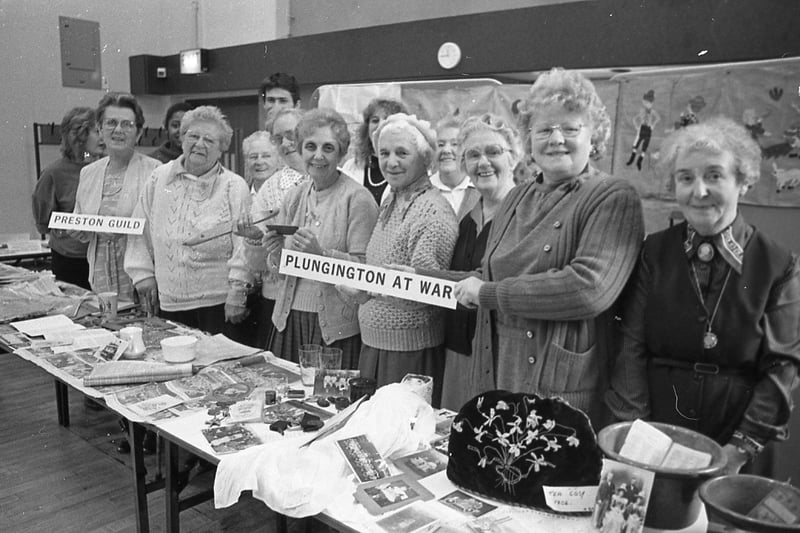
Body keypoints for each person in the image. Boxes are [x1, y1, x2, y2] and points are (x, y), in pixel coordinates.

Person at [606, 116, 800, 475]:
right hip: (655, 434)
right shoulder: (653, 252)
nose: (699, 191)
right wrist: (639, 434)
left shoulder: (779, 264)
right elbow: (630, 346)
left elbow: (783, 368)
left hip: (738, 439)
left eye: (714, 175)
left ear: (743, 181)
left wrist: (739, 450)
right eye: (686, 178)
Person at [451, 68, 644, 426]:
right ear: (529, 138)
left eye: (570, 128)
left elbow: (588, 289)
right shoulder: (517, 197)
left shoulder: (612, 196)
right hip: (496, 371)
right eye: (544, 129)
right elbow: (484, 276)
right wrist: (413, 276)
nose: (556, 139)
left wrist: (489, 293)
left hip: (557, 386)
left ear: (594, 136)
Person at [236, 108, 378, 368]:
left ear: (342, 153)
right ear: (301, 150)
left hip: (334, 329)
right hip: (288, 319)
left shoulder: (358, 199)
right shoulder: (295, 196)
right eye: (310, 146)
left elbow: (365, 270)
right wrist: (275, 250)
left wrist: (320, 255)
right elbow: (281, 271)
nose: (318, 156)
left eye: (328, 148)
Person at [349, 113, 458, 402]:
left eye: (402, 153)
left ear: (425, 159)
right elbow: (379, 269)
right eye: (384, 153)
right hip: (376, 346)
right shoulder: (392, 199)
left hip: (408, 354)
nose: (391, 162)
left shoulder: (432, 211)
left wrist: (365, 289)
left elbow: (428, 290)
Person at [125, 105, 250, 336]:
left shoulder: (234, 186)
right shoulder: (158, 178)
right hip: (169, 300)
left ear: (222, 148)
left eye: (210, 140)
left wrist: (237, 292)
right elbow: (138, 227)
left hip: (219, 304)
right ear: (182, 138)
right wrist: (142, 275)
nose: (199, 144)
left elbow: (243, 245)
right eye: (193, 136)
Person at [435, 114, 522, 411]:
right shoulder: (468, 214)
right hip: (459, 351)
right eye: (473, 155)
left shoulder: (525, 213)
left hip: (500, 359)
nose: (483, 162)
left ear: (514, 156)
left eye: (493, 152)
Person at [226, 108, 306, 349]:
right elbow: (256, 263)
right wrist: (254, 240)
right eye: (279, 138)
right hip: (276, 299)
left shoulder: (339, 183)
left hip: (318, 305)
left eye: (293, 134)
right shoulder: (271, 188)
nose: (287, 143)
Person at [73, 92, 161, 302]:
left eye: (127, 124)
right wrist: (72, 226)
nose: (118, 130)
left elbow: (161, 229)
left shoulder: (155, 172)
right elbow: (81, 226)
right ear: (100, 130)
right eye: (111, 123)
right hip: (101, 276)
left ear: (138, 133)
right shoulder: (88, 172)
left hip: (141, 279)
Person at [32, 107, 103, 289]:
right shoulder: (53, 174)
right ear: (80, 135)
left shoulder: (104, 166)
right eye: (97, 131)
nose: (103, 136)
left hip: (104, 256)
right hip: (71, 259)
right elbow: (43, 222)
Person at [342, 98, 408, 205]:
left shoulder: (412, 169)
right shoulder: (351, 167)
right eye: (375, 120)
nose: (380, 125)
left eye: (387, 119)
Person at [430, 115, 480, 221]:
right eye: (441, 144)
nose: (446, 150)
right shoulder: (421, 190)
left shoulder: (481, 189)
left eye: (455, 144)